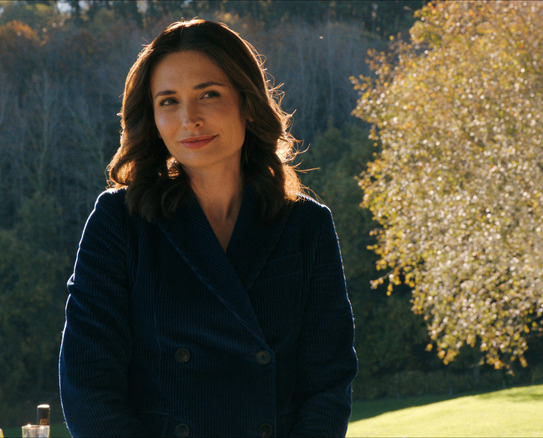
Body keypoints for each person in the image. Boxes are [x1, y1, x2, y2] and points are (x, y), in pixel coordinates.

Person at [59, 19, 358, 438]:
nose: (189, 119)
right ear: (153, 118)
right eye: (169, 101)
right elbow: (87, 386)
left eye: (209, 94)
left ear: (248, 103)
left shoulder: (307, 225)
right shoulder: (119, 222)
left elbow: (329, 383)